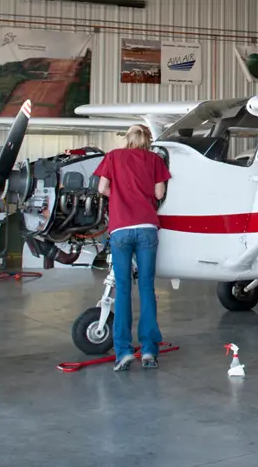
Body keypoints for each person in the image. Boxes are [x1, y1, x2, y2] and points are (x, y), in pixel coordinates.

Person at [93, 124, 171, 371]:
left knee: (123, 290)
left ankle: (124, 352)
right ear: (147, 140)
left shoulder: (113, 157)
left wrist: (120, 195)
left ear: (127, 139)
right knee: (147, 288)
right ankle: (148, 351)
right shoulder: (155, 160)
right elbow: (159, 194)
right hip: (147, 227)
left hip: (120, 230)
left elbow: (101, 188)